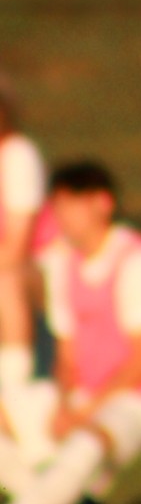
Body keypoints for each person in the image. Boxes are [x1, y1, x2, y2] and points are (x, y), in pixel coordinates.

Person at [0, 161, 141, 504]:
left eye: (71, 205)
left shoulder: (138, 263)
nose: (61, 216)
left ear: (102, 203)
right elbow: (67, 357)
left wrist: (84, 410)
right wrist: (66, 403)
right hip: (87, 397)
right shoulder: (64, 263)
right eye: (57, 206)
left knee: (87, 443)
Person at [0, 76, 46, 403]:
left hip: (43, 269)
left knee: (5, 278)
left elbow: (17, 248)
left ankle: (11, 388)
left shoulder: (18, 155)